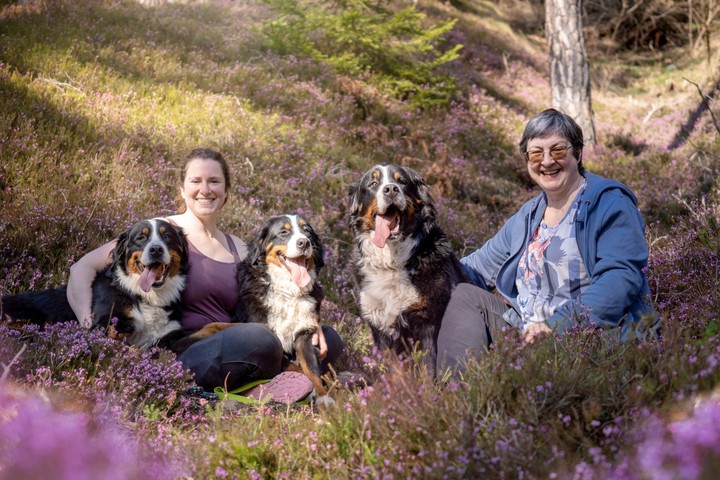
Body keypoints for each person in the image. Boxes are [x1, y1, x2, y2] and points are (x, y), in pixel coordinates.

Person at [67, 148, 343, 399]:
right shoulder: (163, 235)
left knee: (329, 339)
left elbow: (279, 291)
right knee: (260, 339)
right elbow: (82, 268)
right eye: (196, 181)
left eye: (214, 181)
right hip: (185, 349)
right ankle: (265, 387)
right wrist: (89, 327)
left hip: (239, 343)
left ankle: (274, 384)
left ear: (226, 191)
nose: (205, 189)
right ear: (182, 188)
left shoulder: (239, 247)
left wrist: (309, 321)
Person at [437, 108, 658, 373]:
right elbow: (473, 268)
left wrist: (556, 326)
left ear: (578, 153)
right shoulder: (528, 215)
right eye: (536, 153)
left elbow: (619, 280)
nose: (547, 161)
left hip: (587, 335)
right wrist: (411, 280)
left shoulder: (609, 203)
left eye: (558, 150)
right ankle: (456, 391)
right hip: (527, 332)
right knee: (464, 295)